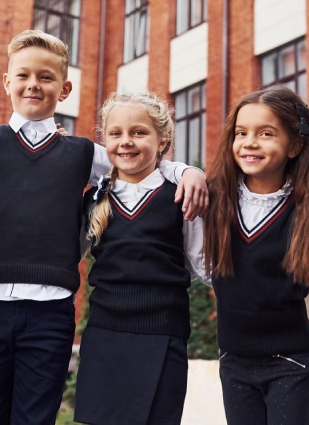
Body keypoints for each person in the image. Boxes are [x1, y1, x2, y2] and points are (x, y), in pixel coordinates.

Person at [0, 30, 208, 424]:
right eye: (23, 75)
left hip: (52, 311)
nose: (33, 84)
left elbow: (134, 163)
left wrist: (187, 170)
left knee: (35, 418)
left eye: (45, 77)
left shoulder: (81, 153)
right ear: (7, 81)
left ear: (64, 89)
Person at [204, 84, 309, 424]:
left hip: (290, 363)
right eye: (241, 132)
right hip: (233, 361)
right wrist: (183, 171)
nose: (249, 142)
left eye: (266, 133)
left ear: (295, 145)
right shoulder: (212, 202)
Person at [73, 91, 208, 425]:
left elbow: (203, 266)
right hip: (104, 335)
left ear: (162, 141)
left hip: (163, 333)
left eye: (139, 132)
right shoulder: (95, 198)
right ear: (105, 141)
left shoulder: (181, 195)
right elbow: (64, 258)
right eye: (116, 133)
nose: (126, 142)